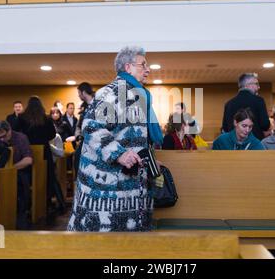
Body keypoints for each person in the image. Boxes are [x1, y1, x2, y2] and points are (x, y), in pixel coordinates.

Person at [67, 46, 164, 232]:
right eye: (143, 64)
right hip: (107, 192)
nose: (148, 69)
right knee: (103, 247)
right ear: (128, 67)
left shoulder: (136, 94)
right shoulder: (112, 92)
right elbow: (91, 126)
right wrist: (119, 154)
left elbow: (134, 138)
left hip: (129, 189)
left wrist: (149, 160)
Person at [16, 96, 65, 214]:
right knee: (47, 177)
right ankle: (46, 203)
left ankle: (26, 204)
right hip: (43, 150)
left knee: (26, 177)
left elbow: (17, 133)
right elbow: (52, 135)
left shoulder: (22, 117)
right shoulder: (46, 118)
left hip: (27, 151)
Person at [0, 121, 33, 229]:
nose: (2, 139)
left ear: (9, 130)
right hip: (1, 174)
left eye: (4, 136)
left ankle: (21, 216)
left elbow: (28, 160)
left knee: (20, 183)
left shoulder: (20, 138)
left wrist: (10, 169)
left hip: (19, 171)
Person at [222, 73, 270, 140]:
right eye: (256, 84)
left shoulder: (229, 104)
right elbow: (265, 125)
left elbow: (225, 128)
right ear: (247, 85)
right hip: (254, 145)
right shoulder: (259, 101)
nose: (259, 87)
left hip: (233, 146)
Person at [73, 82, 95, 176]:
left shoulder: (98, 103)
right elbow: (79, 125)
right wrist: (78, 135)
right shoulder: (83, 107)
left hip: (95, 141)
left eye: (79, 93)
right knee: (78, 161)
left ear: (84, 92)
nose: (78, 95)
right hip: (84, 141)